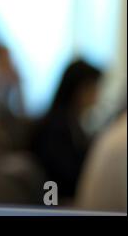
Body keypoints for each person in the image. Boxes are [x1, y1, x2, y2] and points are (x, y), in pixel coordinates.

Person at [31, 59, 102, 202]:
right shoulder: (55, 127)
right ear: (79, 89)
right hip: (53, 203)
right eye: (94, 88)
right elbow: (59, 178)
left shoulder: (74, 123)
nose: (97, 95)